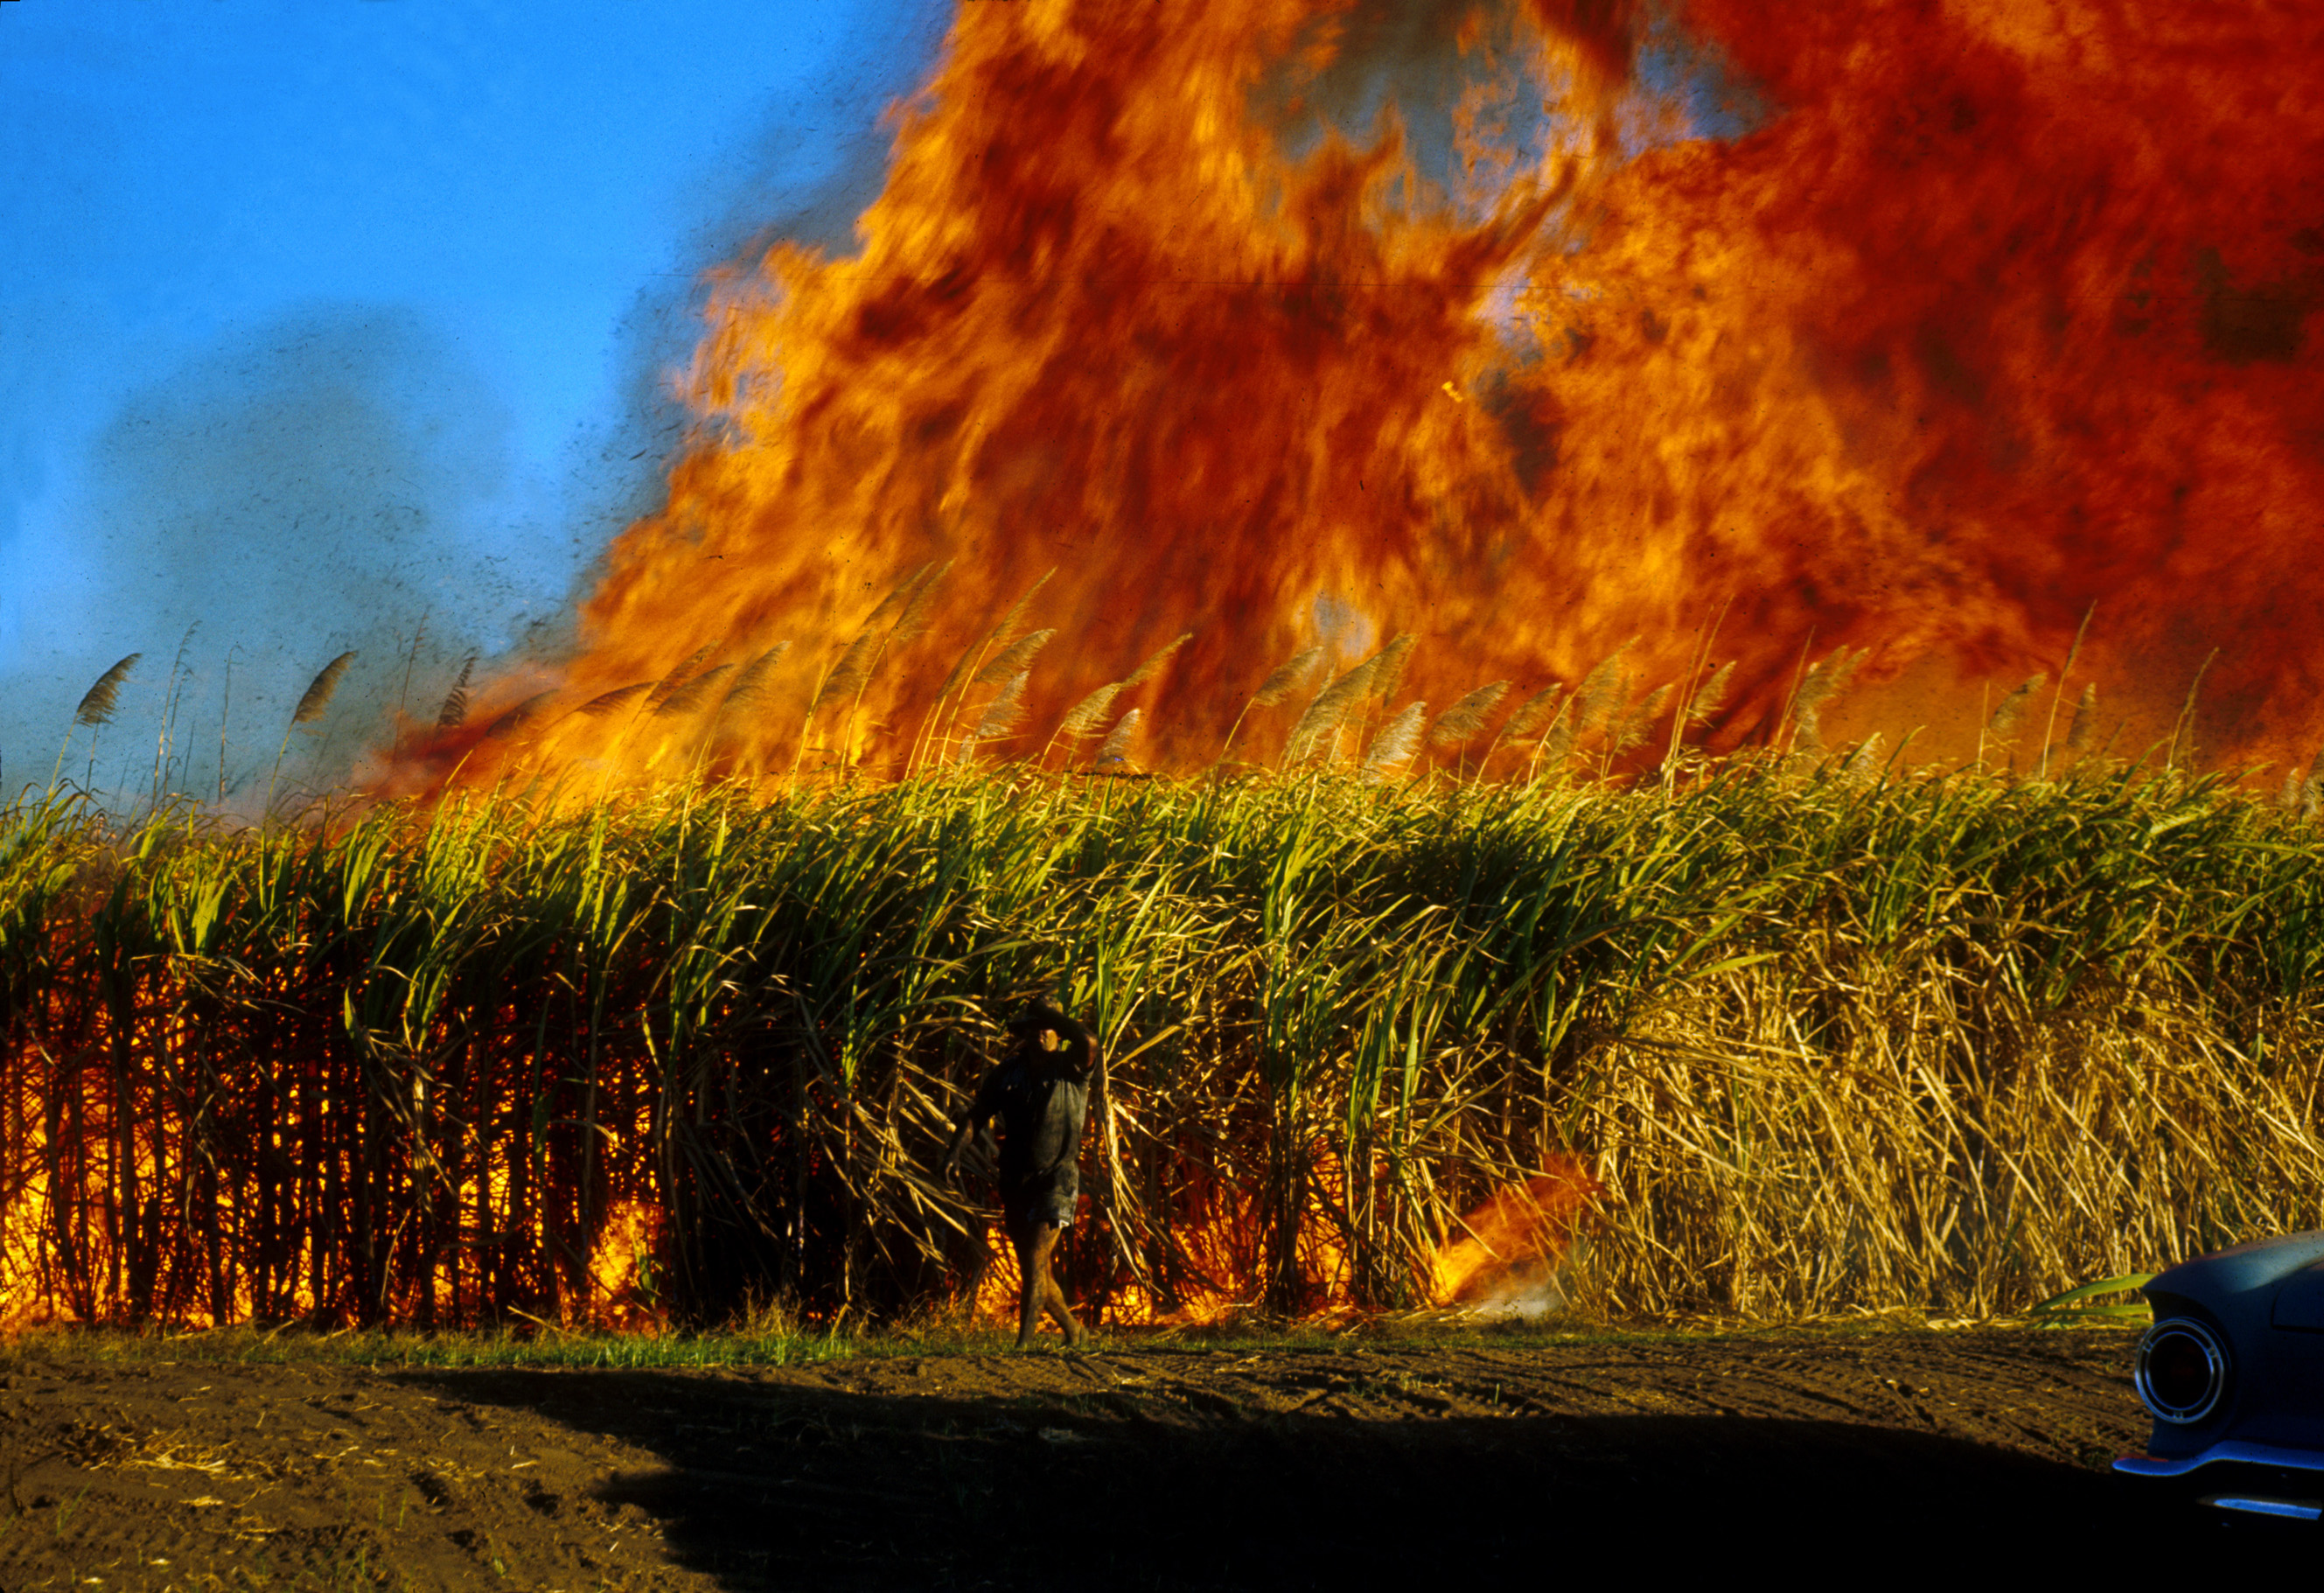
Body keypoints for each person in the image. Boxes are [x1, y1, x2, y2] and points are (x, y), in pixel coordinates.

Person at [942, 999, 1093, 1349]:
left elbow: (1088, 1041)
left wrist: (1050, 1014)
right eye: (1033, 1028)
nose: (1040, 1035)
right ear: (1023, 1034)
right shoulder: (1008, 1072)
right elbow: (977, 1114)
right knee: (1033, 1267)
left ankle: (1023, 1344)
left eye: (1048, 1028)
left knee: (1037, 1258)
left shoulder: (1071, 1067)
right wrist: (954, 1151)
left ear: (1059, 1033)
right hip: (1015, 1178)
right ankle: (1075, 1331)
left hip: (1057, 1178)